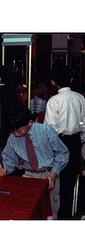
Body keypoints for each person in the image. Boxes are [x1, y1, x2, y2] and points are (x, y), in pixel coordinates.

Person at [0, 106, 69, 220]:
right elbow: (9, 158)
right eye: (12, 131)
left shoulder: (46, 131)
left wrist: (53, 174)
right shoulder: (12, 138)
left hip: (48, 175)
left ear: (30, 123)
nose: (15, 134)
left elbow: (62, 153)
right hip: (29, 176)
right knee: (27, 211)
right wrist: (6, 169)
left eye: (19, 130)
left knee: (50, 211)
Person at [44, 65, 85, 219]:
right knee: (69, 183)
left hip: (59, 142)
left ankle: (55, 217)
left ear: (53, 82)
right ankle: (66, 217)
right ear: (71, 79)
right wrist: (79, 141)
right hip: (75, 142)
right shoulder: (80, 98)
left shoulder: (53, 101)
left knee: (56, 183)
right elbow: (84, 123)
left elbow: (50, 129)